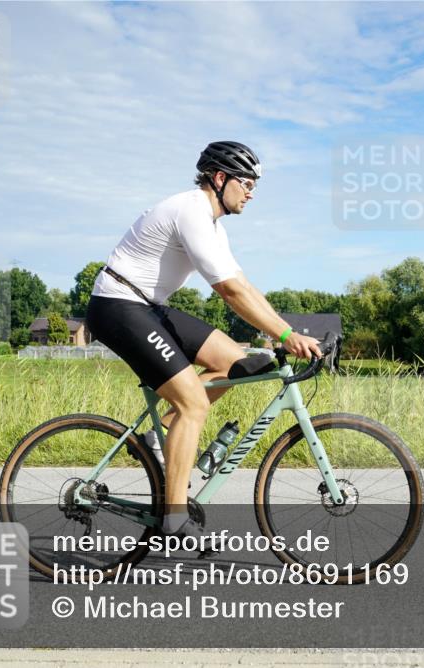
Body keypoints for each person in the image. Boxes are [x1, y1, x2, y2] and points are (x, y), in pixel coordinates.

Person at [85, 141, 321, 537]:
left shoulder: (213, 225)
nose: (251, 192)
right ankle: (174, 518)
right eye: (246, 183)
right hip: (118, 306)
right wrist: (284, 334)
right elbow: (228, 291)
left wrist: (283, 330)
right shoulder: (192, 210)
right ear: (219, 178)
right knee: (193, 402)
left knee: (243, 362)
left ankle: (157, 437)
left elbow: (243, 284)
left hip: (147, 306)